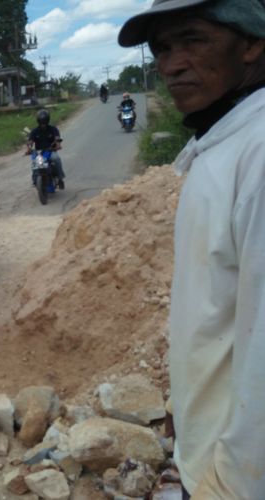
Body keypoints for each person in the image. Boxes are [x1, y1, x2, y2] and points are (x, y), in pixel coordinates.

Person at [119, 0, 265, 498]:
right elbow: (217, 313)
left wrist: (231, 484)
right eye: (162, 48)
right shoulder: (219, 140)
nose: (171, 63)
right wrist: (186, 414)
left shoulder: (258, 153)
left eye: (193, 40)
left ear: (251, 43)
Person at [26, 109, 65, 188]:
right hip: (39, 153)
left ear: (47, 120)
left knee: (56, 159)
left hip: (50, 151)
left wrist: (58, 145)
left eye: (44, 121)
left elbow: (57, 138)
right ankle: (35, 180)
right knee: (35, 164)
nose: (43, 124)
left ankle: (60, 178)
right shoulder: (34, 131)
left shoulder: (53, 129)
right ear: (38, 121)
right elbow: (30, 141)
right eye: (41, 122)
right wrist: (29, 148)